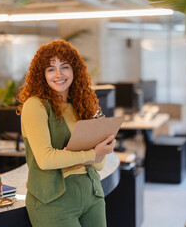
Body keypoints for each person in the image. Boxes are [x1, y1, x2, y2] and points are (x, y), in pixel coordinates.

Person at [17, 39, 116, 227]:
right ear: (42, 74)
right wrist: (91, 153)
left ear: (74, 71)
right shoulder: (35, 106)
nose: (58, 74)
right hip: (54, 201)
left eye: (65, 67)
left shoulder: (83, 105)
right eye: (50, 69)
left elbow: (100, 164)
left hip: (92, 194)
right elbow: (46, 159)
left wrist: (100, 150)